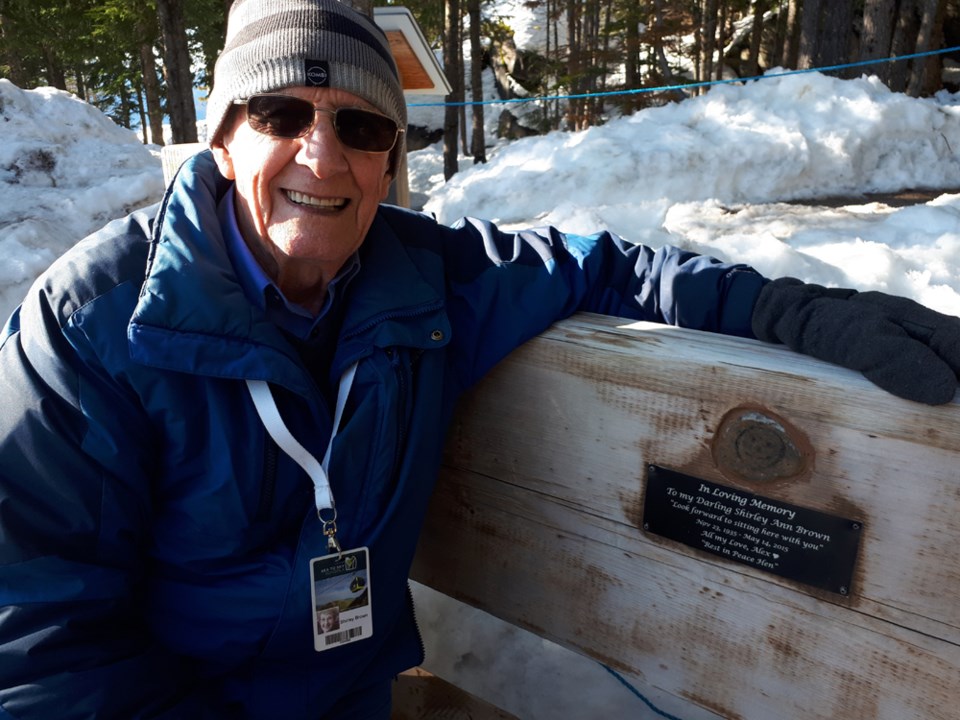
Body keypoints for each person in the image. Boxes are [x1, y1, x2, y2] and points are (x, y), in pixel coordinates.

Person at [1, 0, 959, 717]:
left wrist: (790, 307)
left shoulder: (426, 275)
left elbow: (610, 267)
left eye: (361, 127)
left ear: (390, 161)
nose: (321, 155)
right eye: (281, 114)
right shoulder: (87, 330)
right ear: (220, 141)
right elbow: (37, 648)